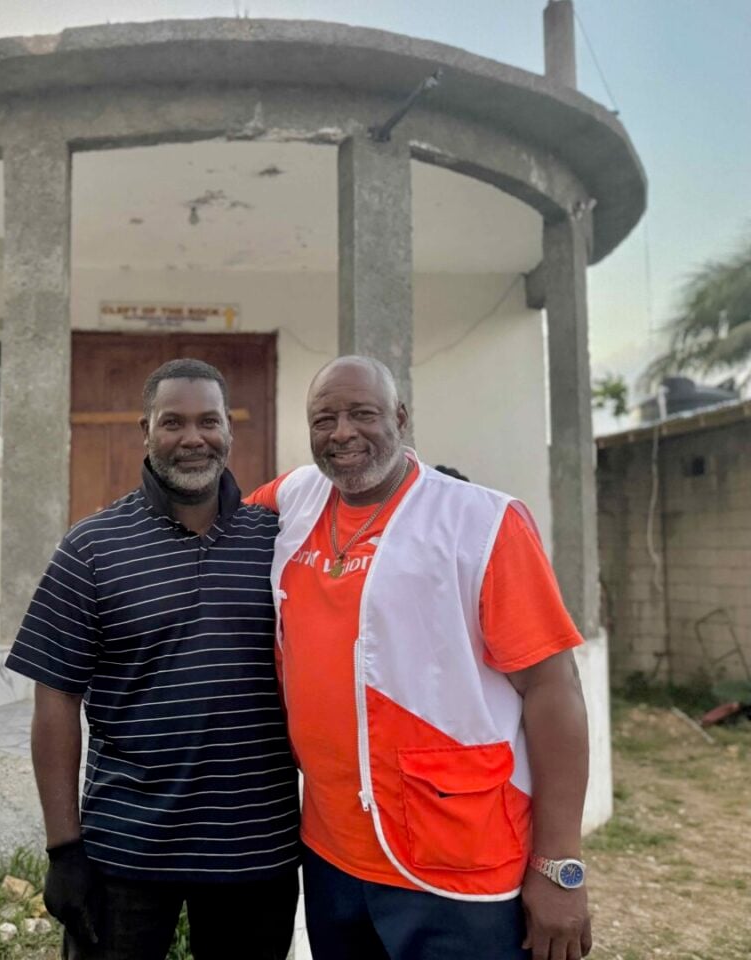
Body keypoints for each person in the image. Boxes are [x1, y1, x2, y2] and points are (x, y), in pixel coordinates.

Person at [246, 355, 593, 960]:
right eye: (324, 418)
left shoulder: (483, 521)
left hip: (461, 862)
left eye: (363, 413)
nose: (343, 432)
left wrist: (560, 865)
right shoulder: (297, 497)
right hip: (331, 857)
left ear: (401, 418)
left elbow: (553, 688)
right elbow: (216, 522)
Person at [5, 358, 300, 960]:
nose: (193, 439)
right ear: (145, 430)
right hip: (125, 854)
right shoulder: (92, 547)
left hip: (256, 851)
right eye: (173, 423)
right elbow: (56, 698)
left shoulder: (278, 542)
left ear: (229, 431)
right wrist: (64, 851)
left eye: (208, 422)